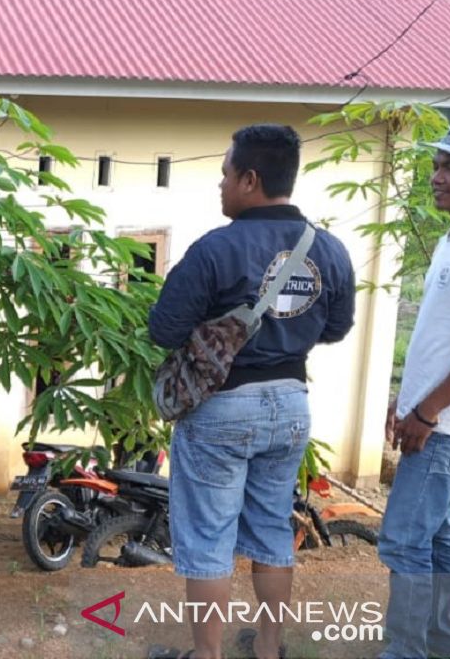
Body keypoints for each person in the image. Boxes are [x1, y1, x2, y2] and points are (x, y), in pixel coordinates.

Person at [148, 124, 356, 659]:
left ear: (250, 179)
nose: (220, 185)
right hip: (290, 405)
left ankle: (208, 655)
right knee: (269, 530)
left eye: (224, 174)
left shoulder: (215, 249)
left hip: (222, 407)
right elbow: (335, 329)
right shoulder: (329, 250)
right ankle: (268, 649)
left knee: (209, 538)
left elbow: (164, 331)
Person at [378, 123, 450, 659]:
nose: (436, 177)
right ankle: (448, 642)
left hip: (446, 428)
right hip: (434, 419)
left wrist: (427, 413)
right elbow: (437, 336)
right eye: (436, 165)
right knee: (439, 538)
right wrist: (405, 402)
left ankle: (405, 652)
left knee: (404, 541)